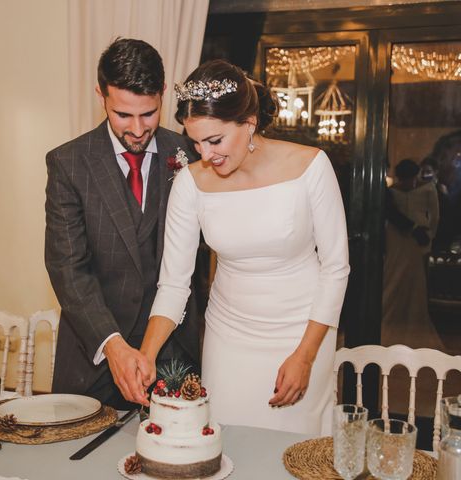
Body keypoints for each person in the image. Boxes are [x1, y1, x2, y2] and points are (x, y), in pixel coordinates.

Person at [129, 59, 350, 435]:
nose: (205, 154)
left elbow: (336, 268)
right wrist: (145, 354)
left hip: (302, 330)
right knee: (225, 442)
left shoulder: (311, 167)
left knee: (295, 452)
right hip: (228, 335)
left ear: (248, 124)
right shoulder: (190, 183)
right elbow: (174, 285)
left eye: (215, 140)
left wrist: (305, 355)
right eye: (195, 142)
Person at [44, 38, 200, 409]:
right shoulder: (69, 163)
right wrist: (112, 345)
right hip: (93, 358)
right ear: (101, 95)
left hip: (172, 356)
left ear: (162, 93)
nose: (137, 128)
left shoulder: (191, 154)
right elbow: (68, 269)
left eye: (148, 114)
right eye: (123, 114)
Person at [381, 158, 443, 350]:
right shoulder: (390, 192)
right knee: (393, 273)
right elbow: (389, 215)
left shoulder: (428, 189)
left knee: (414, 278)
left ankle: (411, 319)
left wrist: (429, 236)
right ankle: (389, 315)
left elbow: (435, 215)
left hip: (418, 238)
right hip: (396, 236)